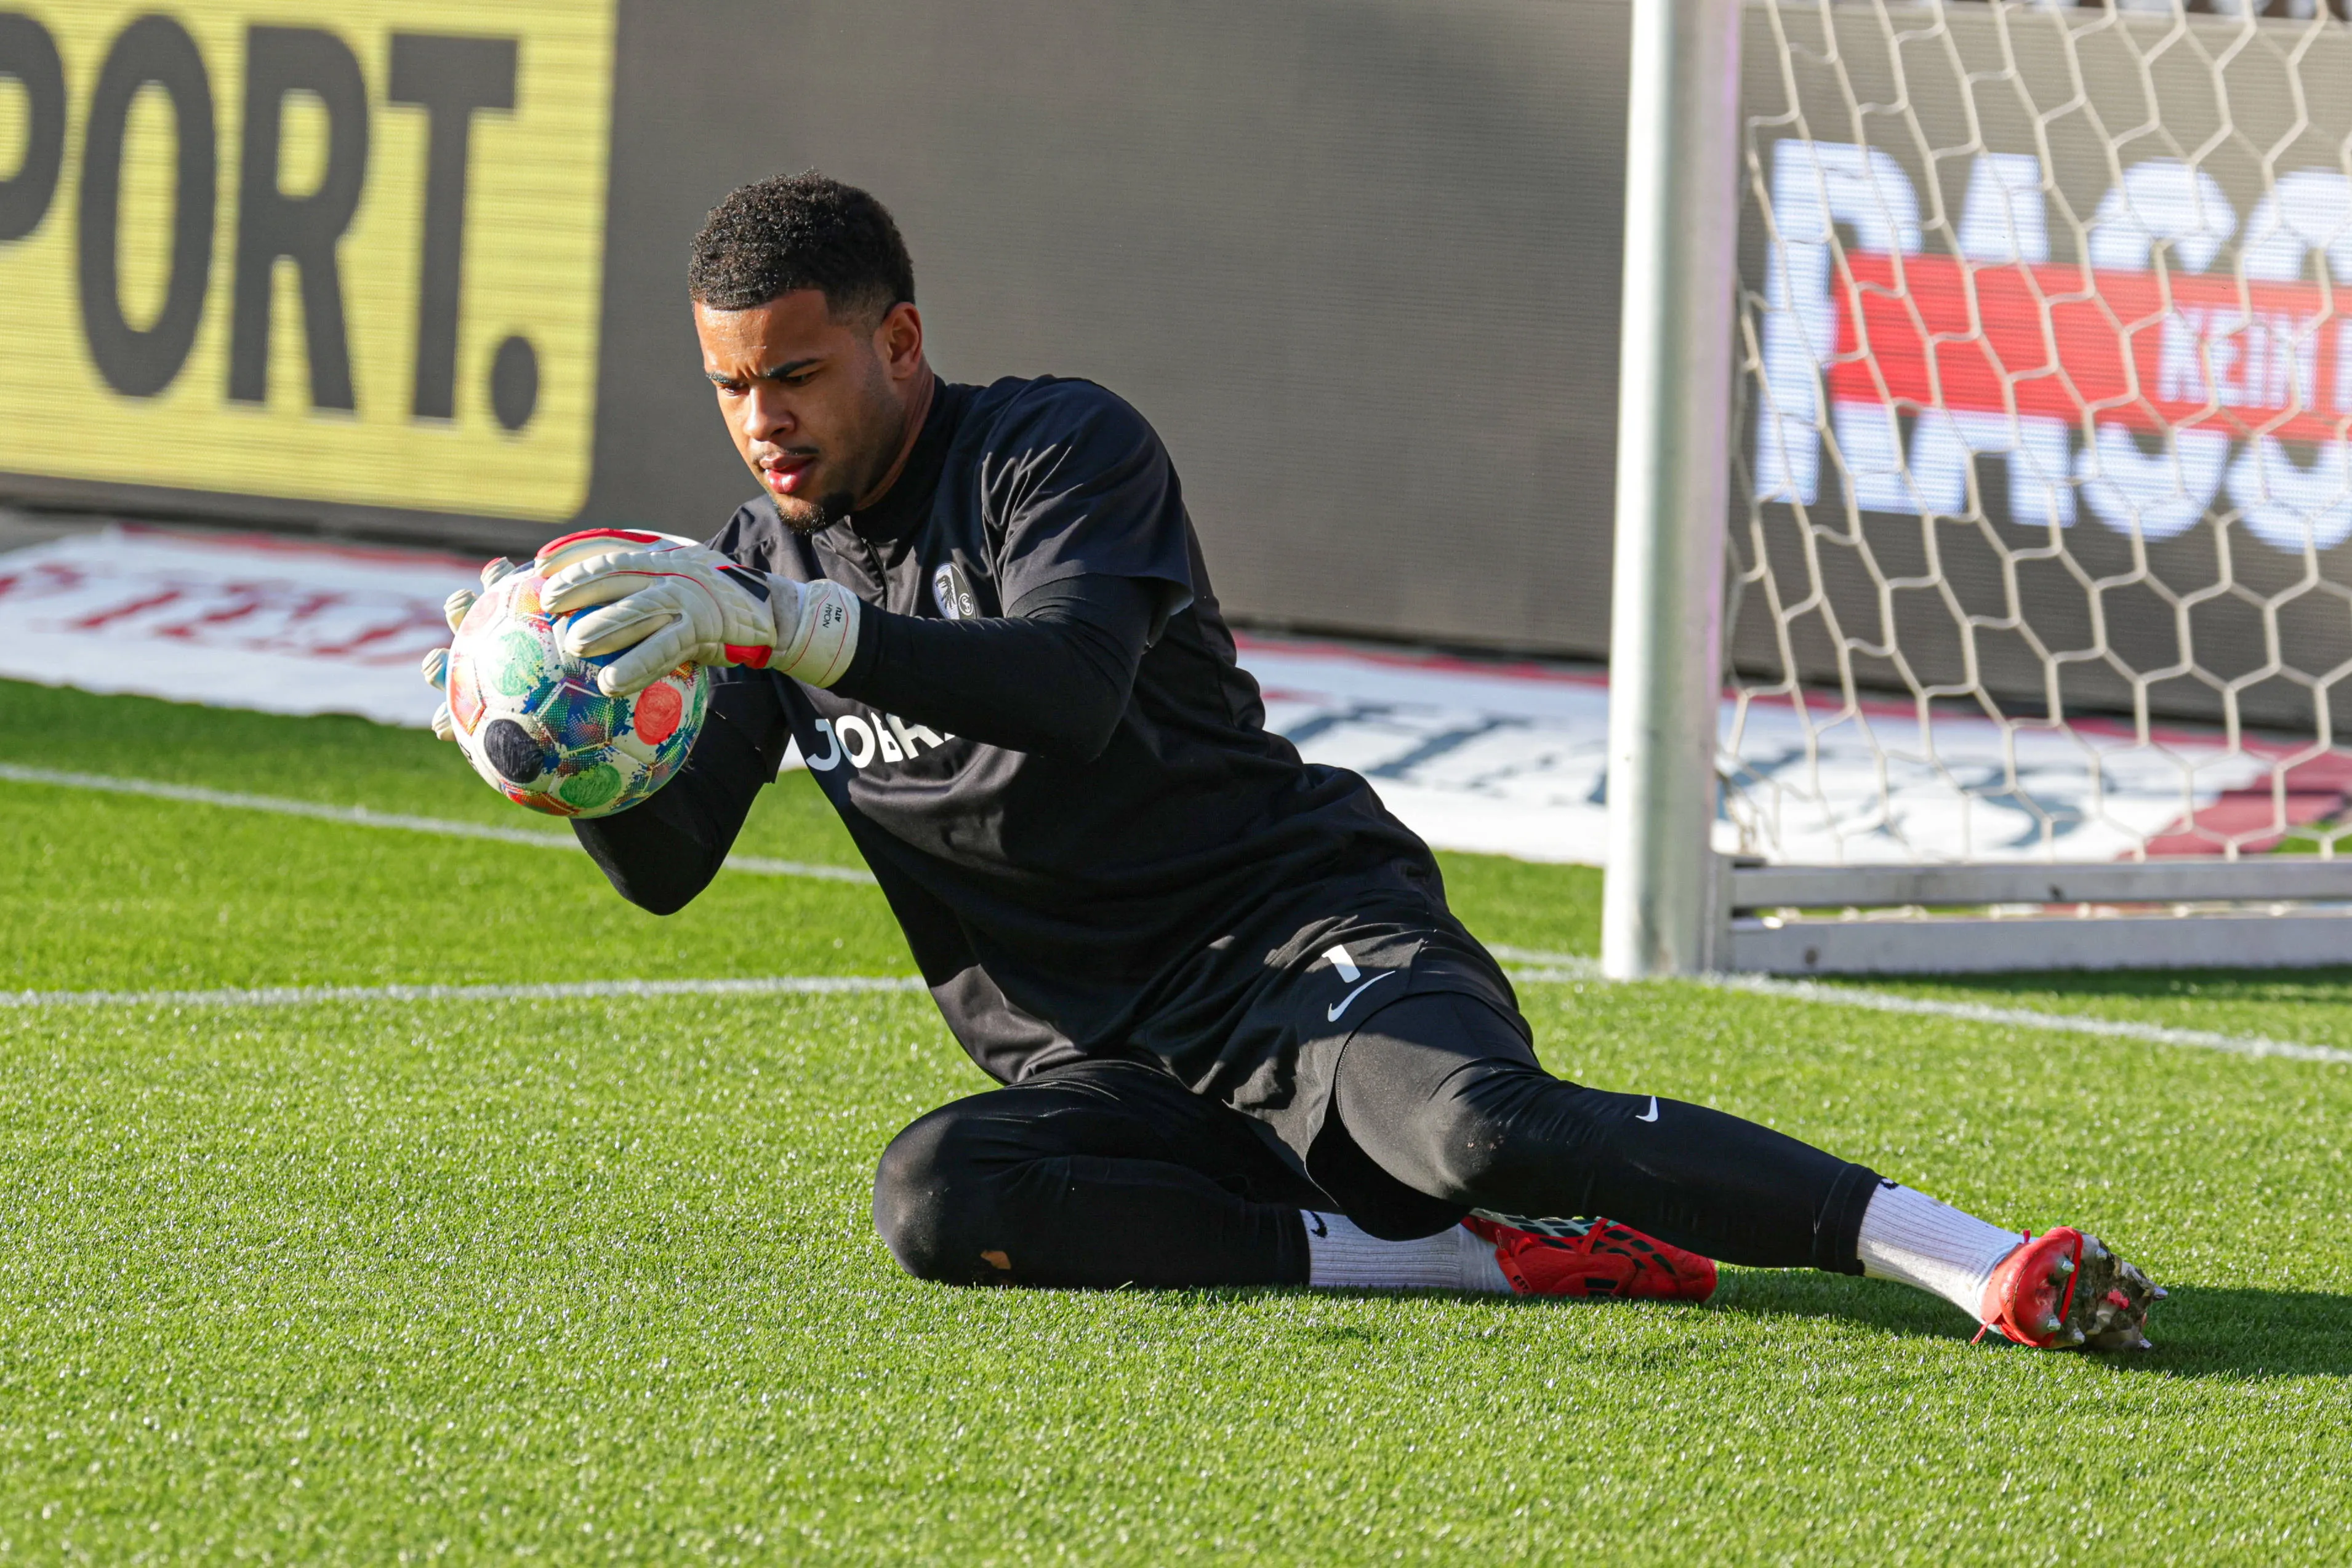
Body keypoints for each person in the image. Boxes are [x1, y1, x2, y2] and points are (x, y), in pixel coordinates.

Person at [424, 172, 2158, 1350]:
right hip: (1109, 1075)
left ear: (896, 340)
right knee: (940, 1196)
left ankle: (1966, 1259)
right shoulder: (743, 579)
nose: (761, 424)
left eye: (794, 374)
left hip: (1296, 953)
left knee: (1476, 1126)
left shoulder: (1055, 448)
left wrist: (802, 637)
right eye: (731, 389)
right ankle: (1434, 1262)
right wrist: (561, 755)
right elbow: (668, 867)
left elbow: (1074, 687)